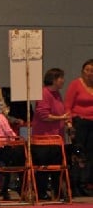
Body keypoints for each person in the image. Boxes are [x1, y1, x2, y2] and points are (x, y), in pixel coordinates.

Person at [32, 68, 70, 200]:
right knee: (44, 168)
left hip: (56, 138)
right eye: (61, 78)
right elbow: (44, 116)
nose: (63, 80)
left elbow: (60, 112)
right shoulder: (44, 93)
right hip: (44, 139)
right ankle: (42, 192)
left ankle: (58, 192)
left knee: (57, 169)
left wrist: (66, 122)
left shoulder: (57, 94)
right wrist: (61, 118)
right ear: (54, 79)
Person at [64, 59, 93, 194]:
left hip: (92, 124)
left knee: (90, 154)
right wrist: (69, 123)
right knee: (78, 154)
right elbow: (68, 105)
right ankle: (75, 184)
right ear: (82, 71)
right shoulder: (75, 84)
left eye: (91, 71)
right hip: (79, 122)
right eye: (86, 70)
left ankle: (85, 183)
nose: (89, 73)